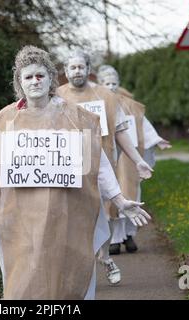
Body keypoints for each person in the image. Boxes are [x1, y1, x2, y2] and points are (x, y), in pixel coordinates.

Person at [0, 46, 151, 299]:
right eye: (28, 77)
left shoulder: (75, 118)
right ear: (19, 82)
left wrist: (118, 199)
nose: (35, 81)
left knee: (66, 277)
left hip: (67, 215)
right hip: (19, 219)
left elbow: (98, 164)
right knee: (23, 280)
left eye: (40, 75)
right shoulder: (6, 121)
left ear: (51, 78)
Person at [56, 50, 154, 285]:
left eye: (81, 67)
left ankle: (105, 256)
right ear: (65, 71)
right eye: (72, 67)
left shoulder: (106, 97)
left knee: (101, 217)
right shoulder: (57, 96)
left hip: (101, 168)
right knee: (71, 222)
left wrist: (138, 159)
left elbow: (121, 131)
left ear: (88, 69)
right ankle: (78, 271)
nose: (77, 71)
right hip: (67, 171)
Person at [96, 65, 171, 254]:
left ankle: (129, 235)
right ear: (100, 84)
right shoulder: (96, 103)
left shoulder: (130, 105)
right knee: (110, 196)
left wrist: (156, 139)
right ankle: (114, 238)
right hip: (108, 157)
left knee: (130, 196)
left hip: (128, 161)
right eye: (107, 83)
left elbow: (143, 125)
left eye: (114, 83)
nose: (111, 87)